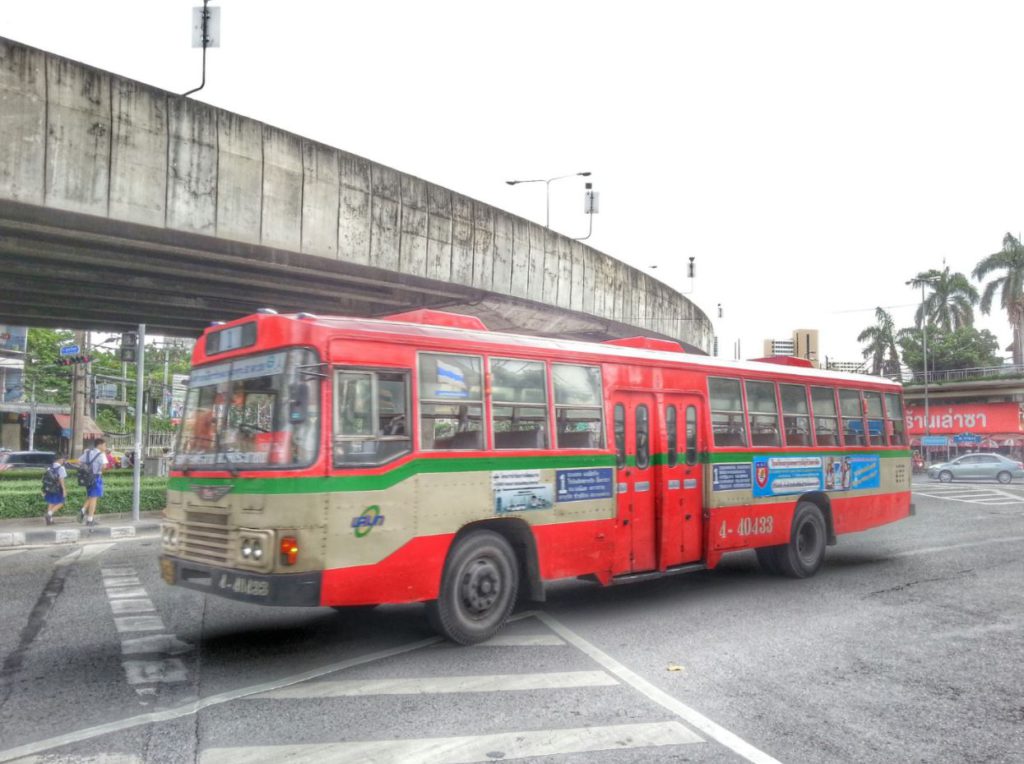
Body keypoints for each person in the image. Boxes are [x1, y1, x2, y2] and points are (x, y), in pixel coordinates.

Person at [77, 437, 108, 527]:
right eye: (105, 445)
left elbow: (79, 461)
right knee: (94, 498)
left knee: (91, 495)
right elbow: (104, 467)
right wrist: (99, 470)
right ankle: (90, 520)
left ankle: (83, 510)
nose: (105, 447)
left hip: (87, 477)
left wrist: (87, 468)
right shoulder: (101, 454)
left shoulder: (88, 452)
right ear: (100, 445)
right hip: (96, 477)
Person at [42, 453, 68, 526]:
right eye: (63, 459)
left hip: (49, 488)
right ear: (60, 459)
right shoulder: (61, 468)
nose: (64, 461)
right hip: (57, 488)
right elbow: (61, 480)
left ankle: (50, 520)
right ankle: (49, 514)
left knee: (51, 502)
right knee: (62, 502)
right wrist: (64, 490)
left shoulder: (50, 467)